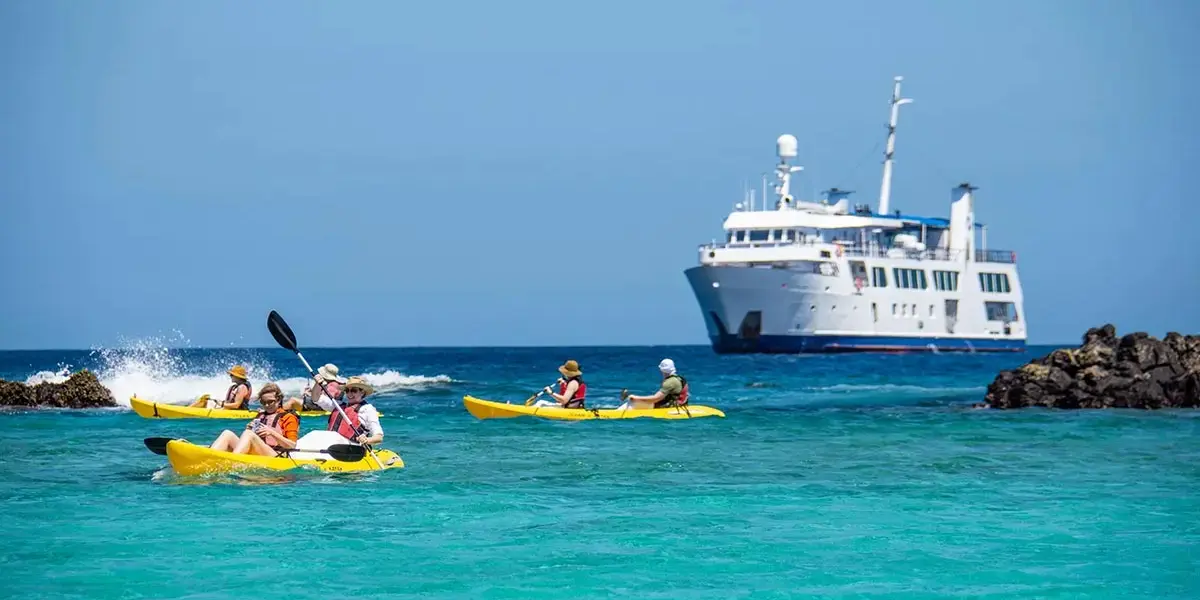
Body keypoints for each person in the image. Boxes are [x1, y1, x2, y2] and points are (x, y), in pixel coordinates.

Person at [208, 383, 299, 456]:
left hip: (276, 455)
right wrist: (249, 428)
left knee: (249, 434)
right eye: (263, 402)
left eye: (270, 402)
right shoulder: (260, 415)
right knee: (227, 434)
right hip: (258, 451)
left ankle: (233, 461)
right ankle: (209, 458)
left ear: (278, 400)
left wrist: (271, 432)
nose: (267, 405)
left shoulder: (288, 417)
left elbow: (292, 445)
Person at [311, 376, 383, 446]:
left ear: (362, 392)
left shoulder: (367, 409)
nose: (349, 394)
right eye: (347, 390)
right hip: (330, 446)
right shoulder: (338, 405)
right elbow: (316, 398)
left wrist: (367, 440)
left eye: (354, 390)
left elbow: (379, 436)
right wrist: (317, 384)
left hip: (351, 450)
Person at [622, 358, 689, 409]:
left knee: (632, 403)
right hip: (678, 405)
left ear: (661, 369)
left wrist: (635, 398)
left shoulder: (669, 382)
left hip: (670, 407)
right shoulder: (679, 378)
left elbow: (655, 399)